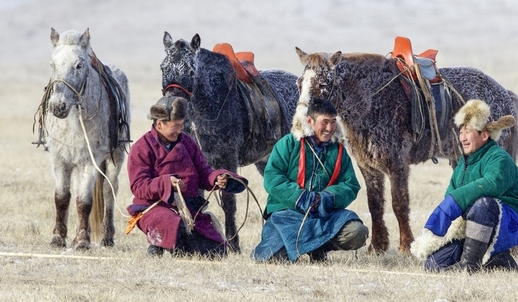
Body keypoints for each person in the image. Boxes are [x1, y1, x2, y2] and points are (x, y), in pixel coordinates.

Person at [412, 99, 518, 273]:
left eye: (468, 131)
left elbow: (491, 184)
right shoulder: (462, 164)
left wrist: (454, 202)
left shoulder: (499, 158)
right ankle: (498, 261)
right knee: (434, 265)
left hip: (509, 222)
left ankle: (469, 266)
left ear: (484, 135)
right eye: (461, 131)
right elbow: (451, 196)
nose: (463, 137)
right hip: (472, 224)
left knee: (484, 204)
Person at [127, 96, 247, 257]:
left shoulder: (188, 143)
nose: (180, 130)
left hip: (189, 210)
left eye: (182, 125)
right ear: (160, 123)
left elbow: (204, 173)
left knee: (216, 251)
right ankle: (157, 245)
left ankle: (177, 246)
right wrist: (166, 183)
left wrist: (218, 178)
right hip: (154, 207)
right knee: (172, 224)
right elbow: (138, 186)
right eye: (176, 125)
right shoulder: (142, 147)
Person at [251, 97, 369, 262]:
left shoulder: (339, 150)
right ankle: (299, 246)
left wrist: (327, 197)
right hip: (288, 215)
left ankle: (320, 248)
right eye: (324, 122)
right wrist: (301, 197)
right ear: (310, 121)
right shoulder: (288, 144)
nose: (330, 128)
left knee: (357, 232)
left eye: (333, 122)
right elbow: (272, 178)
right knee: (271, 258)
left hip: (325, 215)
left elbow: (350, 185)